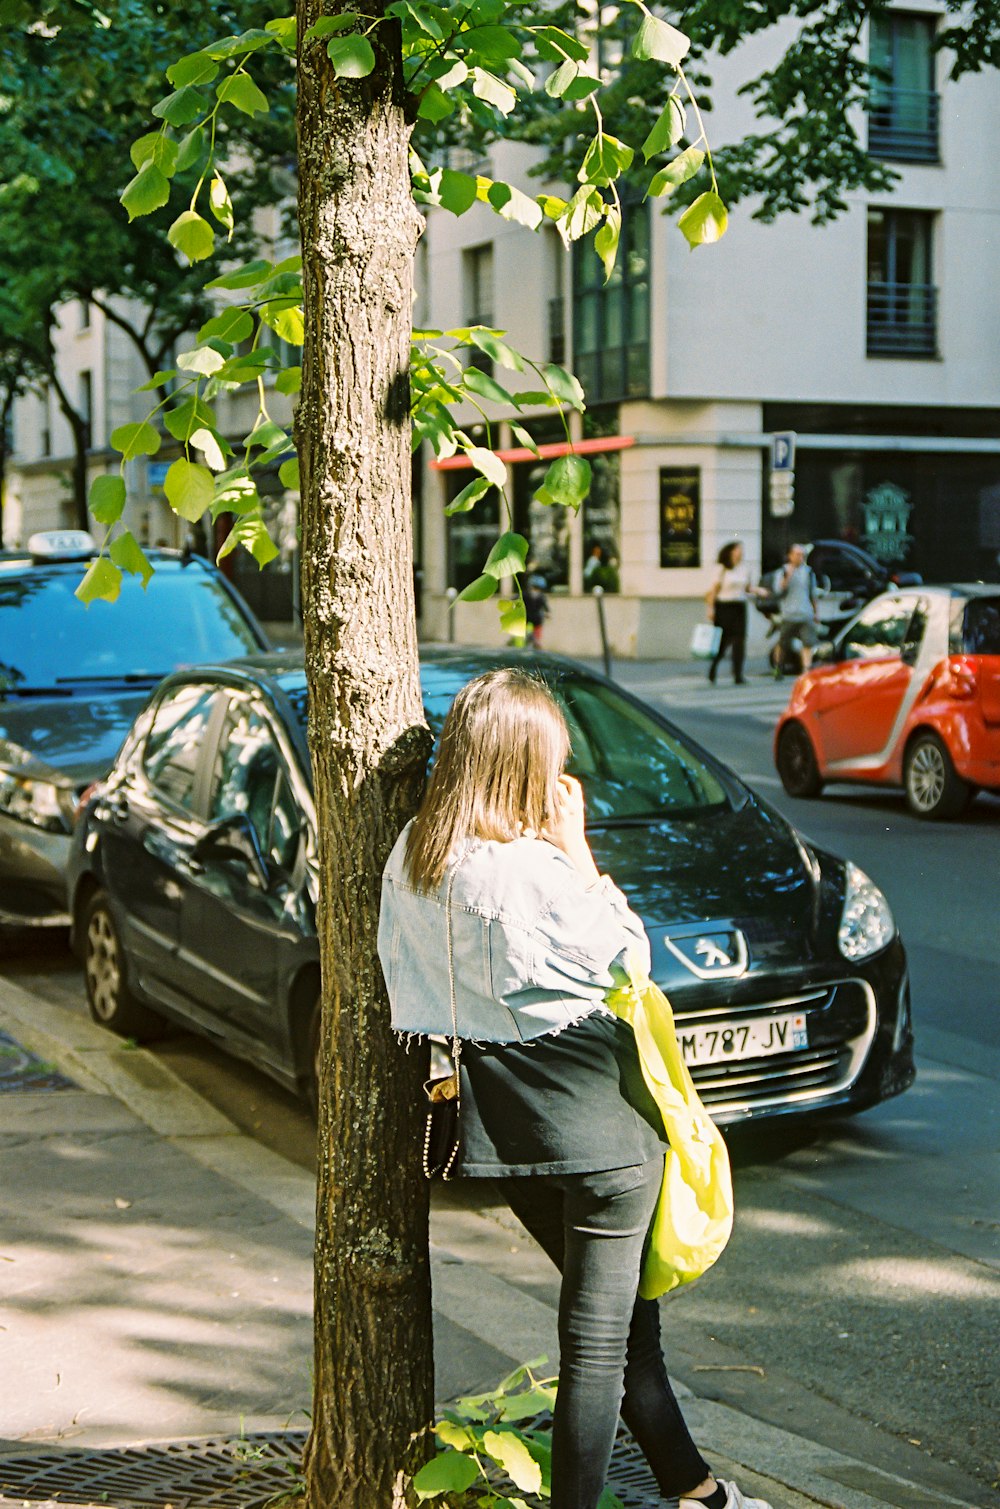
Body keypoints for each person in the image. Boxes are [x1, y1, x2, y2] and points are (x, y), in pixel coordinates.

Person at [378, 668, 771, 1509]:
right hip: (603, 1139)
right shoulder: (536, 873)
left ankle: (698, 1493)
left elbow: (402, 981)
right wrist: (577, 848)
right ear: (524, 768)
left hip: (496, 1135)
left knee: (626, 1334)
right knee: (602, 1345)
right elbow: (633, 958)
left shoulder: (411, 852)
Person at [704, 541, 754, 685]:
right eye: (739, 549)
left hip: (739, 606)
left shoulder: (745, 569)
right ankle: (713, 668)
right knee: (723, 641)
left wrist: (759, 591)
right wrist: (710, 608)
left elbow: (747, 588)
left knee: (739, 640)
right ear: (731, 552)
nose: (741, 552)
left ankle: (738, 674)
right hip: (724, 606)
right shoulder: (721, 569)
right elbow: (713, 590)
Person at [773, 543, 820, 677]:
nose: (800, 557)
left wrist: (816, 613)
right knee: (783, 643)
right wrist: (788, 575)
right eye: (797, 554)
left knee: (807, 643)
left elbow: (812, 594)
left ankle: (806, 669)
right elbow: (779, 590)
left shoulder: (808, 572)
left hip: (805, 613)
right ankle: (778, 666)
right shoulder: (782, 571)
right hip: (788, 614)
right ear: (790, 556)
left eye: (802, 555)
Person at [523, 563, 549, 648]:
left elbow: (545, 605)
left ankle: (535, 641)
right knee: (530, 630)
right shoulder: (527, 595)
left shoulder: (529, 595)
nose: (536, 591)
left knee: (535, 630)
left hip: (533, 617)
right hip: (531, 617)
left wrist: (547, 612)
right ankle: (533, 640)